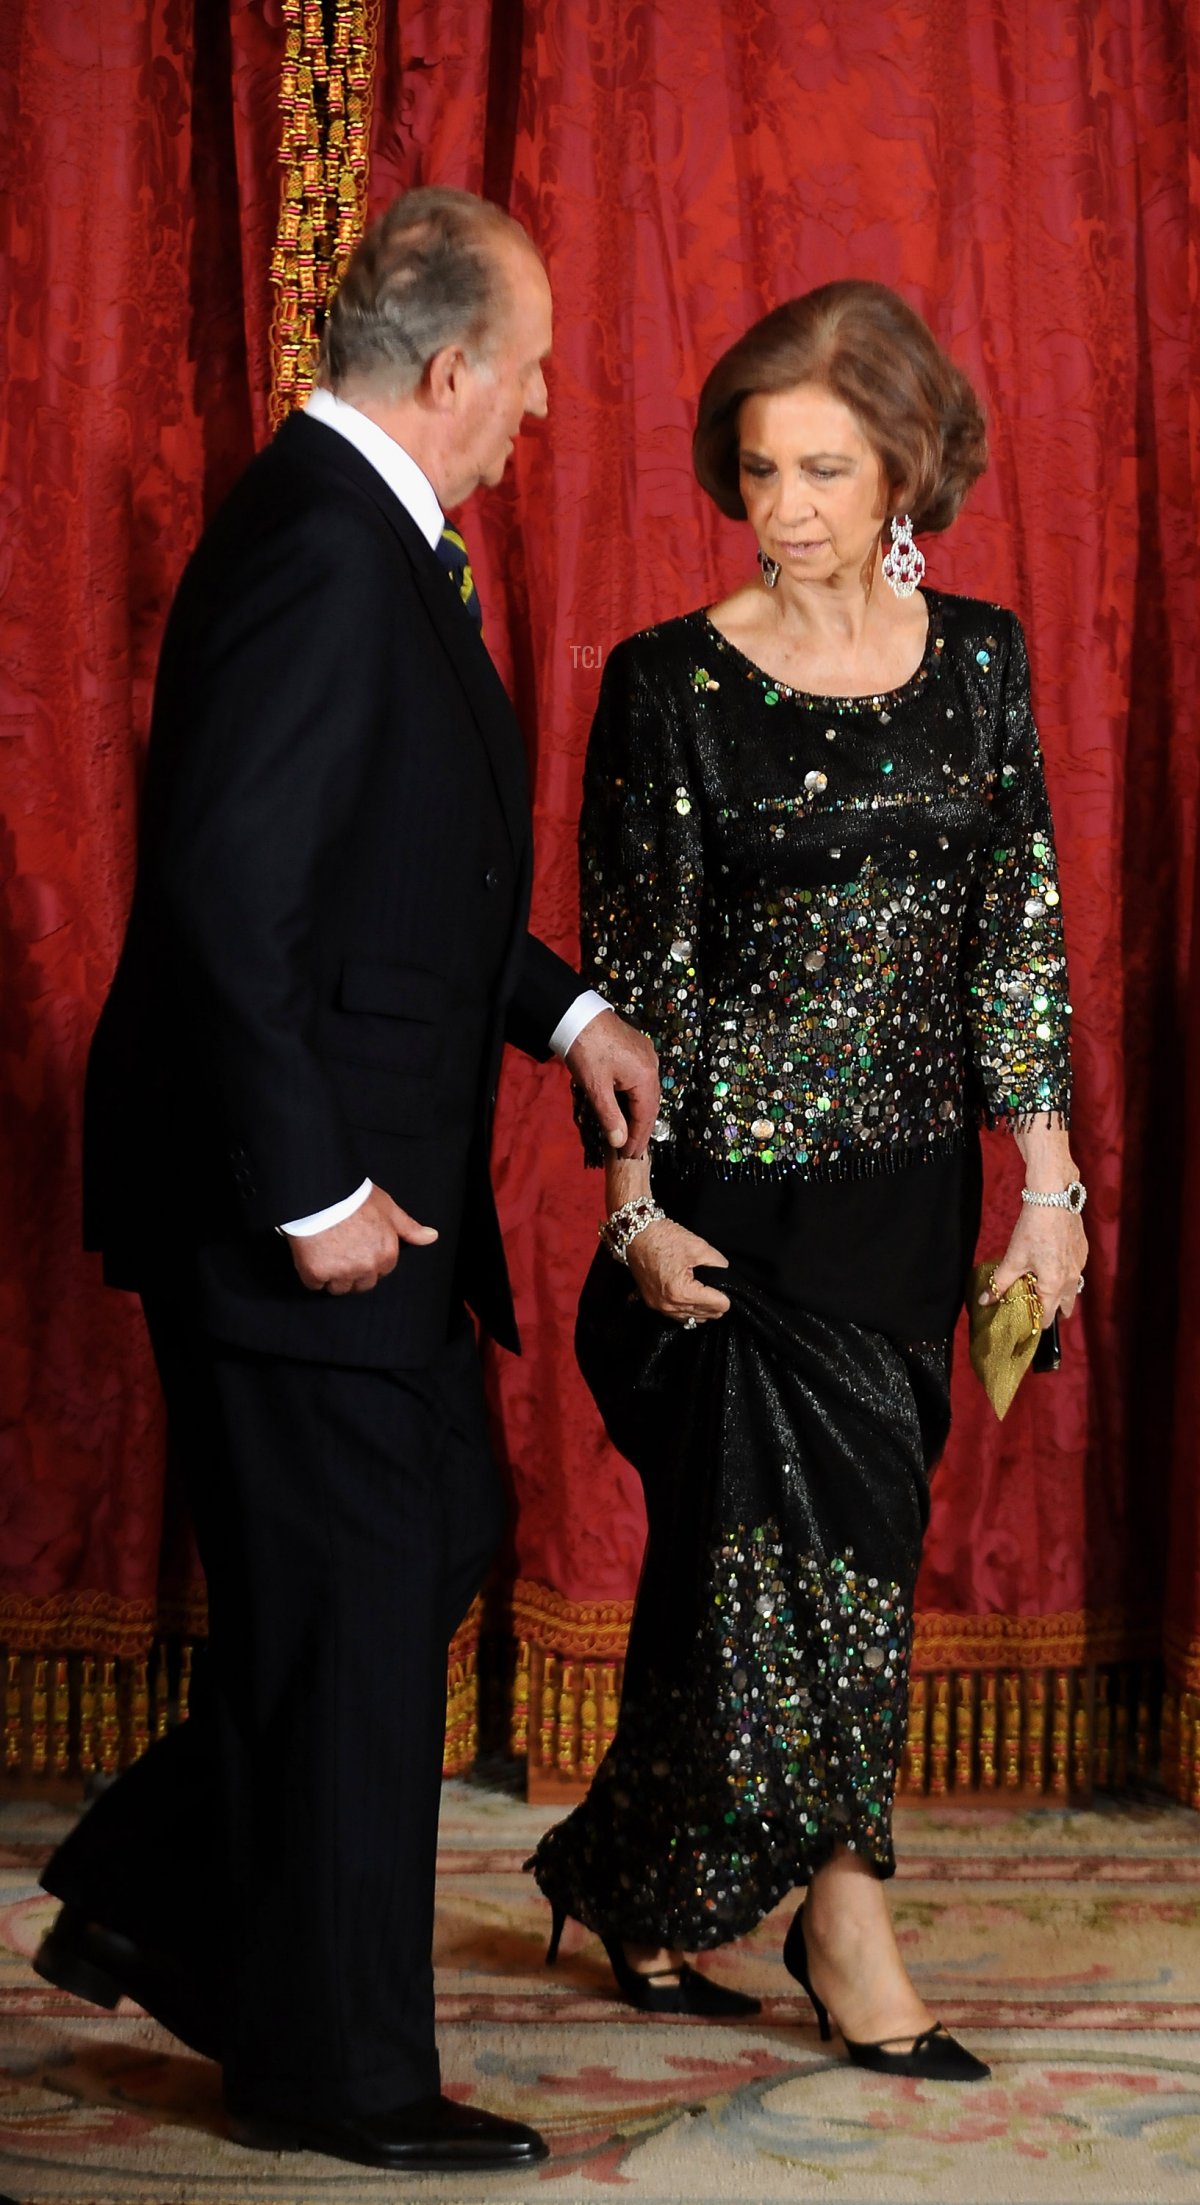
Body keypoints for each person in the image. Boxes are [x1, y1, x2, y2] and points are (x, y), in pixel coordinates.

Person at [34, 187, 657, 2174]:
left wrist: (563, 1019)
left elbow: (404, 874)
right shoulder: (322, 549)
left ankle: (164, 1885)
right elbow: (230, 892)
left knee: (409, 1547)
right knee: (366, 1591)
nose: (541, 409)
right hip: (296, 1199)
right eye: (535, 372)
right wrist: (309, 1195)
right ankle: (336, 2060)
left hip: (347, 1172)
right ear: (452, 367)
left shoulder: (367, 541)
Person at [531, 280, 1086, 2080]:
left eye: (828, 468)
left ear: (907, 466)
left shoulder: (983, 664)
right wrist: (630, 1209)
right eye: (763, 468)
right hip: (727, 1211)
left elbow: (1018, 939)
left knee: (788, 1577)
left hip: (907, 1204)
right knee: (794, 1573)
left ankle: (632, 1874)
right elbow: (635, 982)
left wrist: (1051, 1184)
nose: (788, 507)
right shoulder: (668, 684)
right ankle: (846, 1916)